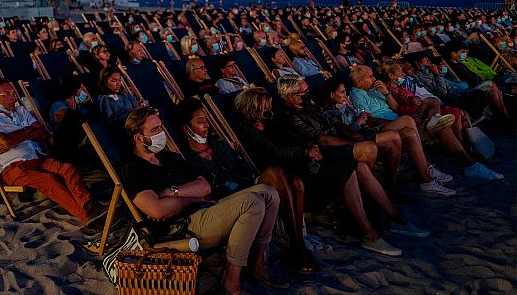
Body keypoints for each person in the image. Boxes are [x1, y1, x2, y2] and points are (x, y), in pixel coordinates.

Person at [236, 86, 426, 257]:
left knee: (358, 167)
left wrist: (309, 146)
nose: (270, 109)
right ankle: (371, 234)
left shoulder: (271, 123)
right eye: (266, 106)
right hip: (293, 172)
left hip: (306, 160)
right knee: (348, 172)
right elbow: (276, 152)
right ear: (255, 108)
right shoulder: (250, 131)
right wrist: (306, 150)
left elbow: (292, 140)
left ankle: (394, 219)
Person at [122, 106, 284, 294]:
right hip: (183, 227)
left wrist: (173, 192)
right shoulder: (133, 168)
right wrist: (192, 198)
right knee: (252, 201)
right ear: (138, 138)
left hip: (206, 210)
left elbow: (205, 186)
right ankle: (231, 280)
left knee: (268, 192)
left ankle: (257, 262)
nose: (161, 133)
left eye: (161, 127)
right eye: (154, 130)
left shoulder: (171, 158)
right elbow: (157, 210)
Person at [177, 98, 319, 274]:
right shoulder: (187, 159)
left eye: (206, 120)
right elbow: (209, 188)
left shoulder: (220, 145)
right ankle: (298, 248)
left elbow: (242, 169)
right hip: (229, 198)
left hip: (246, 184)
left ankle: (297, 244)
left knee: (296, 182)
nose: (206, 125)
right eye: (200, 121)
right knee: (274, 172)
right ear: (186, 128)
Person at [0, 80, 106, 226]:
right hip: (13, 167)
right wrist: (27, 131)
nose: (13, 97)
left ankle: (90, 205)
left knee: (68, 169)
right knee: (50, 181)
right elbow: (5, 142)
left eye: (14, 93)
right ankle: (88, 218)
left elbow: (42, 133)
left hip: (37, 157)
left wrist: (16, 137)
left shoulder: (20, 111)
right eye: (7, 93)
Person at [349, 65, 504, 180]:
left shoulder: (375, 90)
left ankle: (433, 120)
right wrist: (401, 121)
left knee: (431, 101)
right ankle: (470, 165)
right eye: (370, 76)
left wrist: (387, 93)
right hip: (392, 126)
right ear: (360, 80)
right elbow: (367, 119)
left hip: (402, 119)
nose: (374, 78)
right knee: (441, 127)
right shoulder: (357, 95)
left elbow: (395, 109)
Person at [317, 76, 455, 196]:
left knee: (410, 133)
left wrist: (362, 121)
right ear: (331, 95)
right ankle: (428, 168)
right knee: (407, 120)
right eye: (342, 92)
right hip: (361, 140)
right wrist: (358, 123)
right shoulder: (331, 113)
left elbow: (366, 121)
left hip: (369, 131)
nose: (345, 95)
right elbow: (346, 133)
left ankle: (427, 180)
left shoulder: (345, 106)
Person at [49, 74, 95, 161]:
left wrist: (89, 104)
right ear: (75, 91)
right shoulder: (58, 105)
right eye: (82, 88)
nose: (85, 91)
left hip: (84, 140)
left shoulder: (80, 106)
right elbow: (65, 117)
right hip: (68, 145)